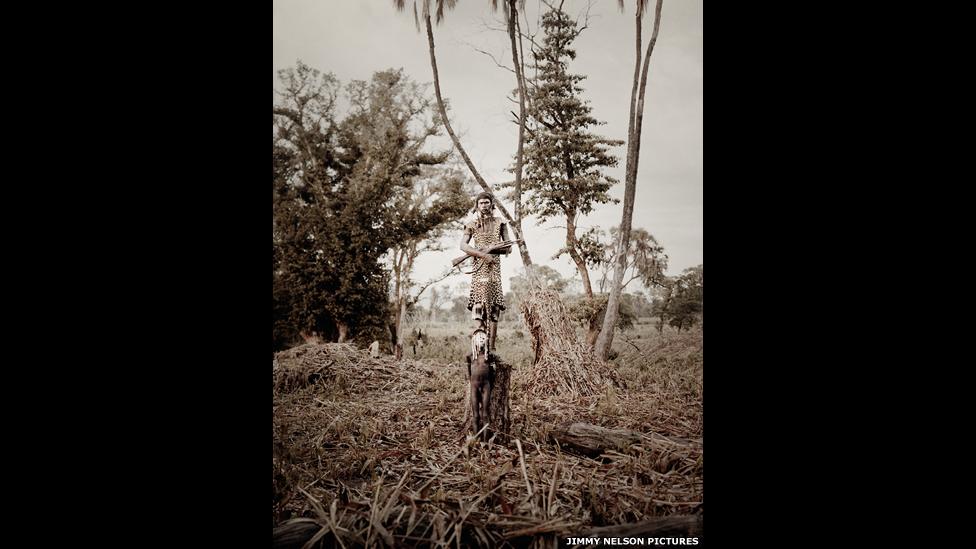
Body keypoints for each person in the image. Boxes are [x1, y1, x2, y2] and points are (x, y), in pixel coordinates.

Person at [459, 192, 511, 350]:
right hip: (479, 269)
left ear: (491, 204)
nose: (484, 206)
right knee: (478, 304)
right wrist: (482, 254)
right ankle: (479, 347)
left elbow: (508, 247)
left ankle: (492, 348)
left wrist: (492, 250)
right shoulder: (471, 224)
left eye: (486, 202)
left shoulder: (501, 222)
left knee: (494, 306)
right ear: (477, 206)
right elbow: (463, 245)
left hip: (494, 269)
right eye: (481, 203)